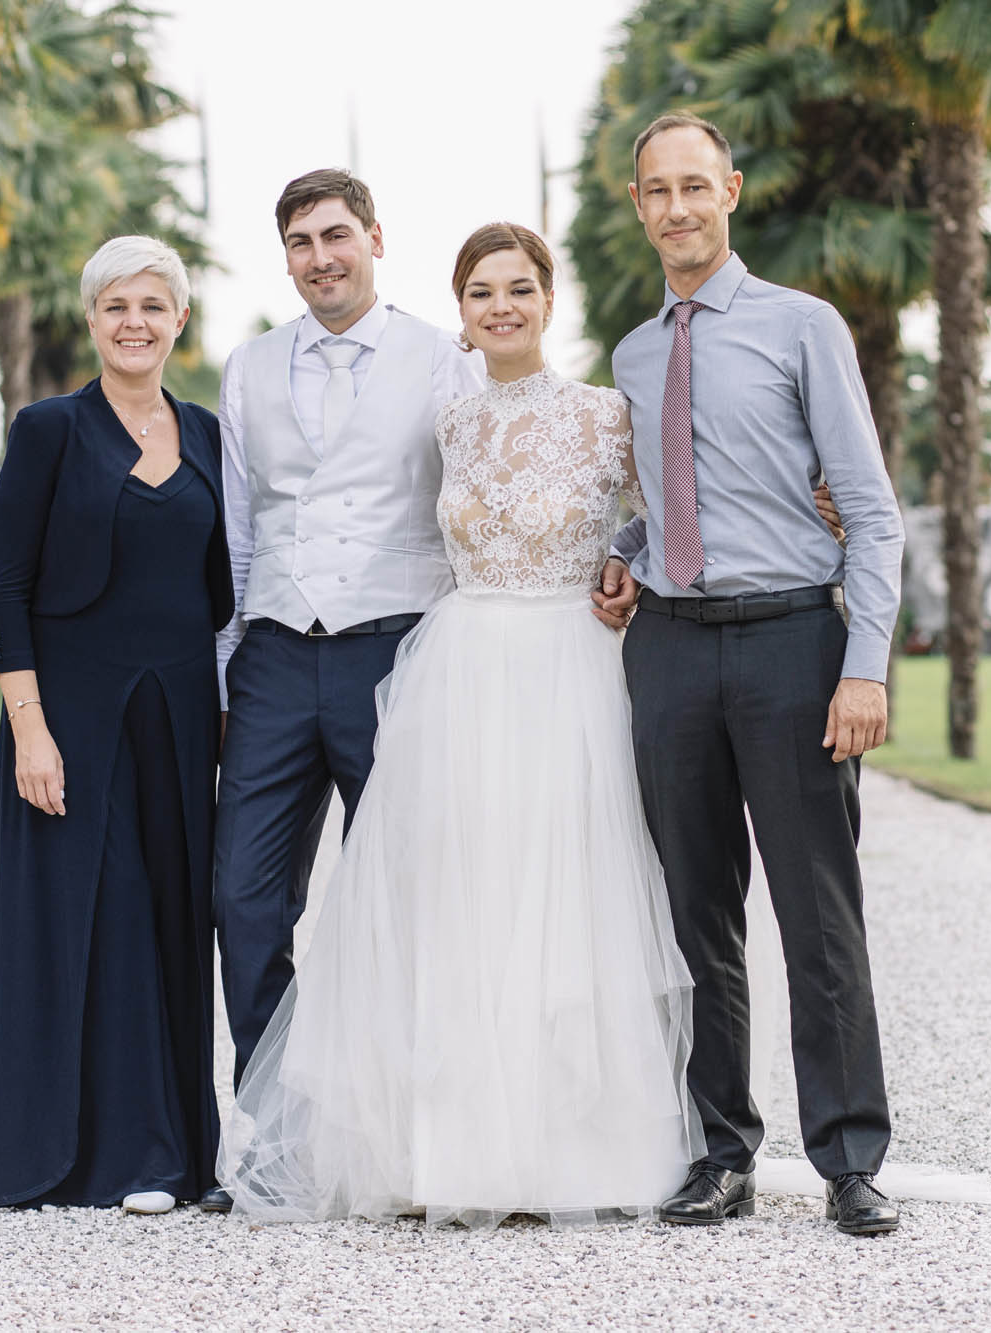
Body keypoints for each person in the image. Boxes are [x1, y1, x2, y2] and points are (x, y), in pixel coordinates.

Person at [218, 223, 702, 1227]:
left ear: (547, 299)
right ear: (462, 313)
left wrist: (626, 571)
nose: (502, 307)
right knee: (462, 904)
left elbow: (665, 521)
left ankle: (575, 1151)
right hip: (461, 672)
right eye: (482, 293)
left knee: (566, 895)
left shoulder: (605, 416)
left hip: (568, 668)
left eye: (518, 289)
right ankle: (453, 1149)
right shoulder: (453, 423)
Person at [597, 113, 908, 1236]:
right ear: (636, 205)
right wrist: (624, 561)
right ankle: (719, 1149)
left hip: (792, 642)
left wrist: (862, 667)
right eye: (655, 190)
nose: (676, 207)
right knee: (694, 915)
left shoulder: (801, 327)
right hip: (669, 649)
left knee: (816, 912)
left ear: (729, 189)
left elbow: (869, 510)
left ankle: (848, 1158)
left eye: (694, 185)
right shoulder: (633, 353)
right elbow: (656, 500)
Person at [201, 170, 482, 1213]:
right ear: (285, 257)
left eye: (335, 236)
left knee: (406, 900)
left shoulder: (439, 362)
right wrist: (228, 664)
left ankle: (404, 1142)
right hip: (273, 652)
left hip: (394, 649)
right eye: (299, 242)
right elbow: (236, 524)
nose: (319, 257)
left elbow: (471, 506)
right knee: (242, 897)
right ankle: (276, 1138)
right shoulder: (248, 365)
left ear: (373, 238)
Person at [0, 236, 232, 1214]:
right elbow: (6, 586)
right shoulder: (48, 429)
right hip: (69, 713)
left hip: (176, 709)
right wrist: (28, 729)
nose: (134, 322)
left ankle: (173, 1156)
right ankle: (72, 1159)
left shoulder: (207, 432)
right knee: (83, 915)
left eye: (151, 306)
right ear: (92, 319)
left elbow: (223, 586)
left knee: (170, 917)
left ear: (177, 321)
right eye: (115, 305)